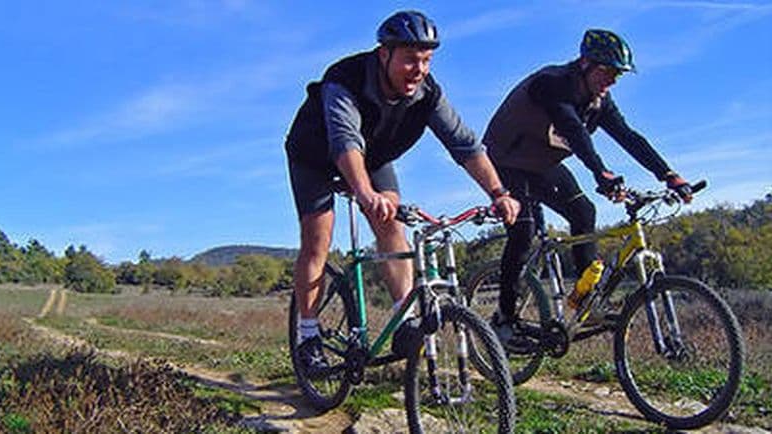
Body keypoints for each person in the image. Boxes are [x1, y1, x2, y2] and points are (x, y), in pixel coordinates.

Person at [284, 11, 521, 372]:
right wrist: (365, 193)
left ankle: (404, 321)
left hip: (374, 156)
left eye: (426, 60)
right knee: (318, 240)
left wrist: (498, 192)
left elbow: (465, 144)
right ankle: (308, 335)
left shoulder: (428, 94)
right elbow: (345, 140)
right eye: (410, 59)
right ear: (385, 54)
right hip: (315, 156)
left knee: (391, 223)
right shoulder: (345, 79)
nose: (419, 69)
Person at [482, 29, 693, 347]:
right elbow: (572, 129)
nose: (611, 81)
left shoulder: (599, 101)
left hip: (541, 162)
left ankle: (585, 300)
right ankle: (505, 319)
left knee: (584, 211)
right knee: (523, 232)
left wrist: (668, 174)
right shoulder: (551, 83)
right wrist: (600, 172)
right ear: (585, 63)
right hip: (506, 160)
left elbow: (628, 136)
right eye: (607, 72)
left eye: (617, 75)